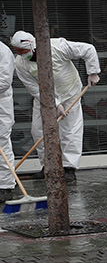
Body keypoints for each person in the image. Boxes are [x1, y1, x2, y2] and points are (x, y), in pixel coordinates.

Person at [9, 30, 100, 182]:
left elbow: (88, 49)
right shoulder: (20, 63)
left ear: (32, 46)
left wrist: (93, 72)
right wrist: (55, 104)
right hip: (43, 97)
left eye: (22, 50)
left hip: (70, 92)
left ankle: (69, 168)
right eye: (17, 51)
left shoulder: (57, 46)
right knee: (38, 130)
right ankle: (48, 166)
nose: (20, 53)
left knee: (70, 130)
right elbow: (33, 87)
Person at [0, 41, 16, 200]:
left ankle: (5, 186)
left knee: (1, 142)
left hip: (1, 105)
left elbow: (4, 82)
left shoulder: (3, 52)